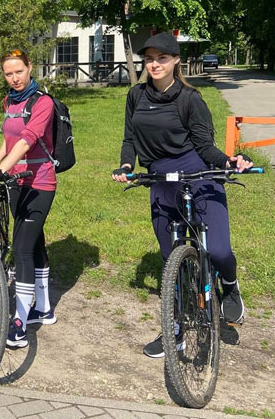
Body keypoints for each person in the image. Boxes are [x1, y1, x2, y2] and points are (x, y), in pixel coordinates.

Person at [111, 32, 253, 358]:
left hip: (198, 173)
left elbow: (205, 145)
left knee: (217, 250)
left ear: (176, 60)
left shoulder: (191, 99)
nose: (155, 64)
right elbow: (129, 138)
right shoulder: (136, 95)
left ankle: (229, 288)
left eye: (162, 58)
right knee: (170, 262)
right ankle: (174, 328)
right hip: (160, 179)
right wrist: (125, 164)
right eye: (149, 58)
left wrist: (229, 162)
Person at [0, 49, 59, 349]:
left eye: (19, 72)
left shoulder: (43, 102)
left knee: (22, 248)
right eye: (9, 74)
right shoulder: (10, 101)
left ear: (30, 68)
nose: (14, 78)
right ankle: (44, 309)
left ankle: (20, 323)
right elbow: (9, 139)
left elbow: (28, 139)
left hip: (40, 182)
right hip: (15, 181)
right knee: (34, 242)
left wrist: (3, 169)